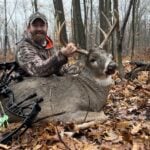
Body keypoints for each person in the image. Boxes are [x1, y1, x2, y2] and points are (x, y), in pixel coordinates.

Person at [16, 12, 77, 77]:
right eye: (35, 25)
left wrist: (76, 67)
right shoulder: (23, 47)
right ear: (29, 28)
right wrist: (61, 54)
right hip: (30, 85)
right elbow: (37, 69)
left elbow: (59, 69)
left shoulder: (49, 46)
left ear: (47, 27)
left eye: (42, 25)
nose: (39, 29)